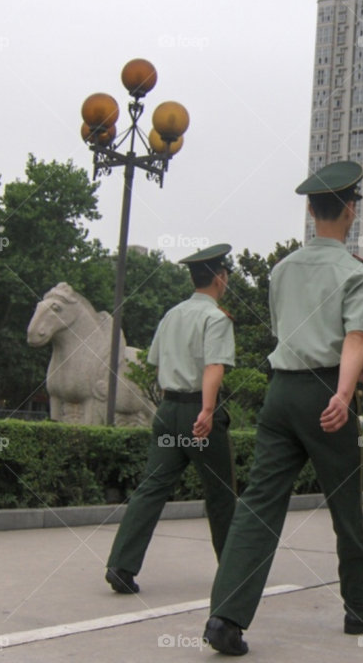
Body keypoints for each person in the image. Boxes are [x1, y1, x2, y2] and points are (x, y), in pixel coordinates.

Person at [204, 161, 363, 656]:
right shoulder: (356, 272)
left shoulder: (281, 269)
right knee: (346, 508)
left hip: (281, 394)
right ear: (351, 210)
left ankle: (225, 615)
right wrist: (342, 389)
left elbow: (292, 335)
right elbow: (354, 336)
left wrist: (353, 370)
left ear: (311, 210)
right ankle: (361, 609)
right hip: (325, 398)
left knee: (259, 505)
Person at [105, 244, 237, 595]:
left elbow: (158, 363)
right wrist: (208, 410)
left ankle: (121, 565)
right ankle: (233, 571)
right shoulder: (216, 318)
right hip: (198, 413)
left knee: (151, 487)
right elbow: (214, 365)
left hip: (167, 412)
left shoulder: (171, 315)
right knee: (221, 494)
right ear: (220, 279)